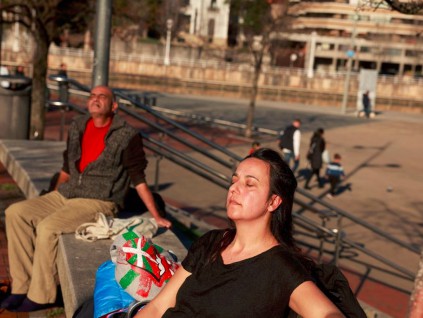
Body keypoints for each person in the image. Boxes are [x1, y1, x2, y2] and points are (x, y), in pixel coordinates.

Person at [1, 85, 172, 312]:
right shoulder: (78, 125)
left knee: (48, 227)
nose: (96, 99)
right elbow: (66, 168)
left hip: (99, 201)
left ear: (113, 106)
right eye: (92, 96)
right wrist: (52, 192)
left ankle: (41, 295)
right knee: (16, 212)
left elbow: (138, 179)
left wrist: (157, 215)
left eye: (102, 96)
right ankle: (20, 287)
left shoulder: (127, 135)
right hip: (67, 193)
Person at [135, 148, 344, 318]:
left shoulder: (280, 267)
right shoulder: (211, 242)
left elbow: (327, 313)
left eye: (249, 184)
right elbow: (157, 308)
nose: (234, 188)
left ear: (273, 202)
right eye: (234, 180)